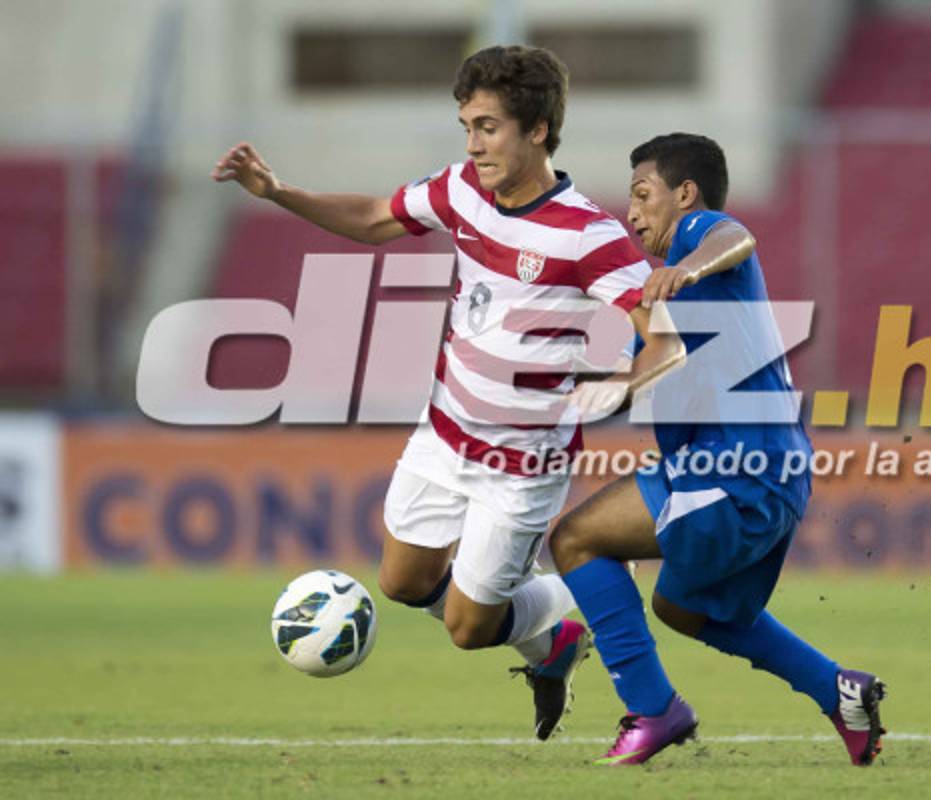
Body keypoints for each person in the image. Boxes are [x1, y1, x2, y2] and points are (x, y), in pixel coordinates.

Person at [212, 46, 682, 740]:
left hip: (522, 466)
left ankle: (589, 586)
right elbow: (374, 218)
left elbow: (667, 341)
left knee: (467, 628)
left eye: (488, 127)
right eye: (467, 127)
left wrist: (618, 386)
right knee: (401, 581)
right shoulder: (460, 188)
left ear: (538, 130)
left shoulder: (588, 234)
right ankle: (552, 647)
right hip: (444, 433)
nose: (472, 145)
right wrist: (278, 191)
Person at [550, 133, 887, 766]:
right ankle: (838, 690)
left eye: (643, 195)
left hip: (737, 469)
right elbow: (641, 378)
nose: (633, 213)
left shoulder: (696, 238)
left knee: (575, 541)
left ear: (685, 194)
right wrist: (576, 396)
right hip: (767, 470)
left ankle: (653, 710)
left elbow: (736, 237)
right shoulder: (661, 303)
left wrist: (691, 265)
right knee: (680, 607)